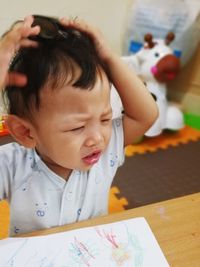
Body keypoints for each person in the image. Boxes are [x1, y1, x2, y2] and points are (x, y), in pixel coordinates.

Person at [0, 15, 158, 236]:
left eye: (104, 119)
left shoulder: (106, 150)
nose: (98, 138)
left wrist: (108, 57)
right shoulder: (12, 164)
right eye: (77, 127)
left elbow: (146, 115)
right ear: (26, 132)